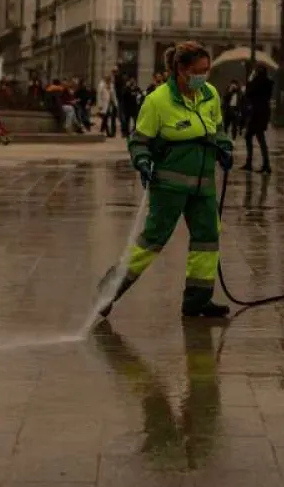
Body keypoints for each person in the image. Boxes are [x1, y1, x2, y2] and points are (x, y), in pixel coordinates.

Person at [99, 41, 232, 320]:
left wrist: (224, 147)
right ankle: (108, 290)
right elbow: (139, 141)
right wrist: (143, 161)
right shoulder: (158, 100)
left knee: (207, 239)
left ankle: (197, 300)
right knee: (152, 242)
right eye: (198, 71)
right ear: (181, 70)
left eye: (207, 70)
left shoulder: (210, 95)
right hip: (169, 185)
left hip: (203, 184)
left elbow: (217, 127)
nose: (204, 76)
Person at [243, 62, 274, 174]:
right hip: (264, 112)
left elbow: (248, 93)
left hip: (256, 113)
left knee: (254, 138)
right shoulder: (268, 82)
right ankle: (262, 163)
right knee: (257, 138)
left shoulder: (257, 82)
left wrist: (250, 80)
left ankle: (262, 164)